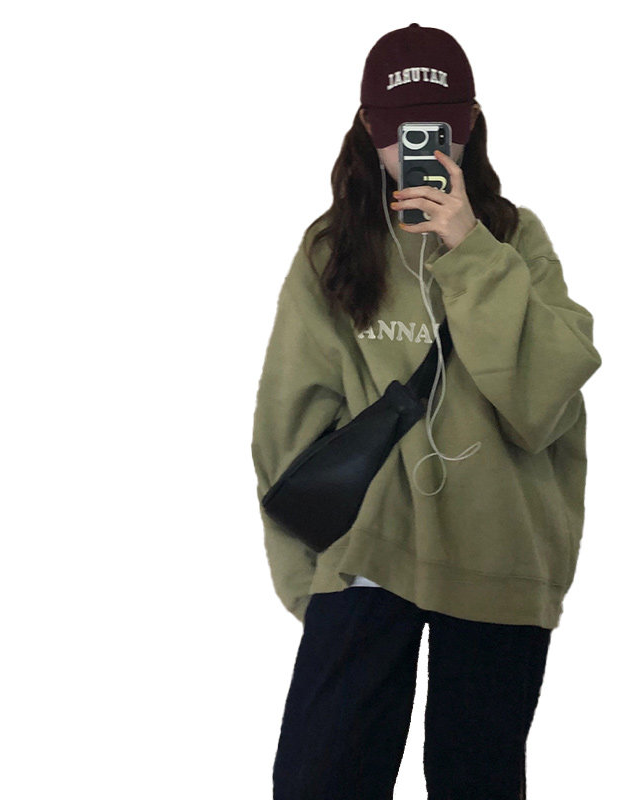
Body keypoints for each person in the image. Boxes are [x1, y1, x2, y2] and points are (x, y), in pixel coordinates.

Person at [251, 22, 602, 800]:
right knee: (319, 780)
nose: (418, 146)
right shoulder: (333, 249)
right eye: (399, 129)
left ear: (468, 122)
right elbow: (288, 421)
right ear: (368, 127)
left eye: (437, 126)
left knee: (477, 783)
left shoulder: (514, 239)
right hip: (369, 556)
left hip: (496, 557)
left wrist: (469, 248)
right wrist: (308, 580)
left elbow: (544, 404)